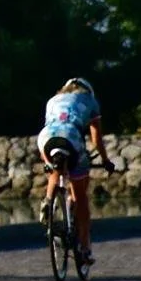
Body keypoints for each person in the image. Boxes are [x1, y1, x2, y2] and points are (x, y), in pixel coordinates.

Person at [37, 77, 109, 266]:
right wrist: (106, 160)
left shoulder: (53, 100)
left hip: (45, 138)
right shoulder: (90, 101)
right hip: (72, 138)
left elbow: (53, 126)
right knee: (80, 195)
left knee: (55, 169)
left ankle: (48, 202)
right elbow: (96, 139)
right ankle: (85, 249)